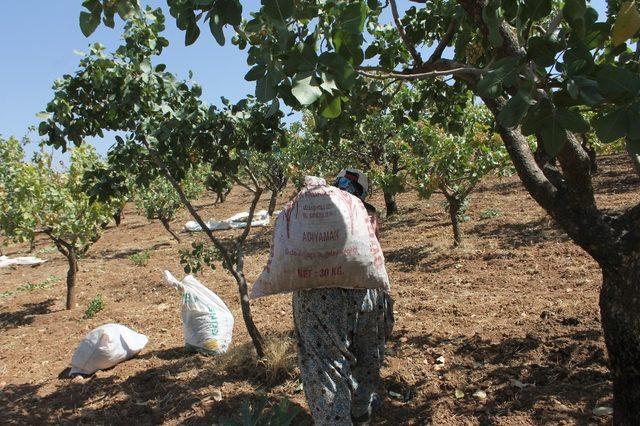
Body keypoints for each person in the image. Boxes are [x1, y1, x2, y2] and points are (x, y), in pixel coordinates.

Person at [292, 168, 394, 425]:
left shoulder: (308, 207)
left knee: (326, 366)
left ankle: (336, 418)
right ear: (362, 192)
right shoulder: (367, 213)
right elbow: (374, 255)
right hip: (365, 294)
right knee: (368, 353)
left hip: (317, 299)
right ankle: (361, 410)